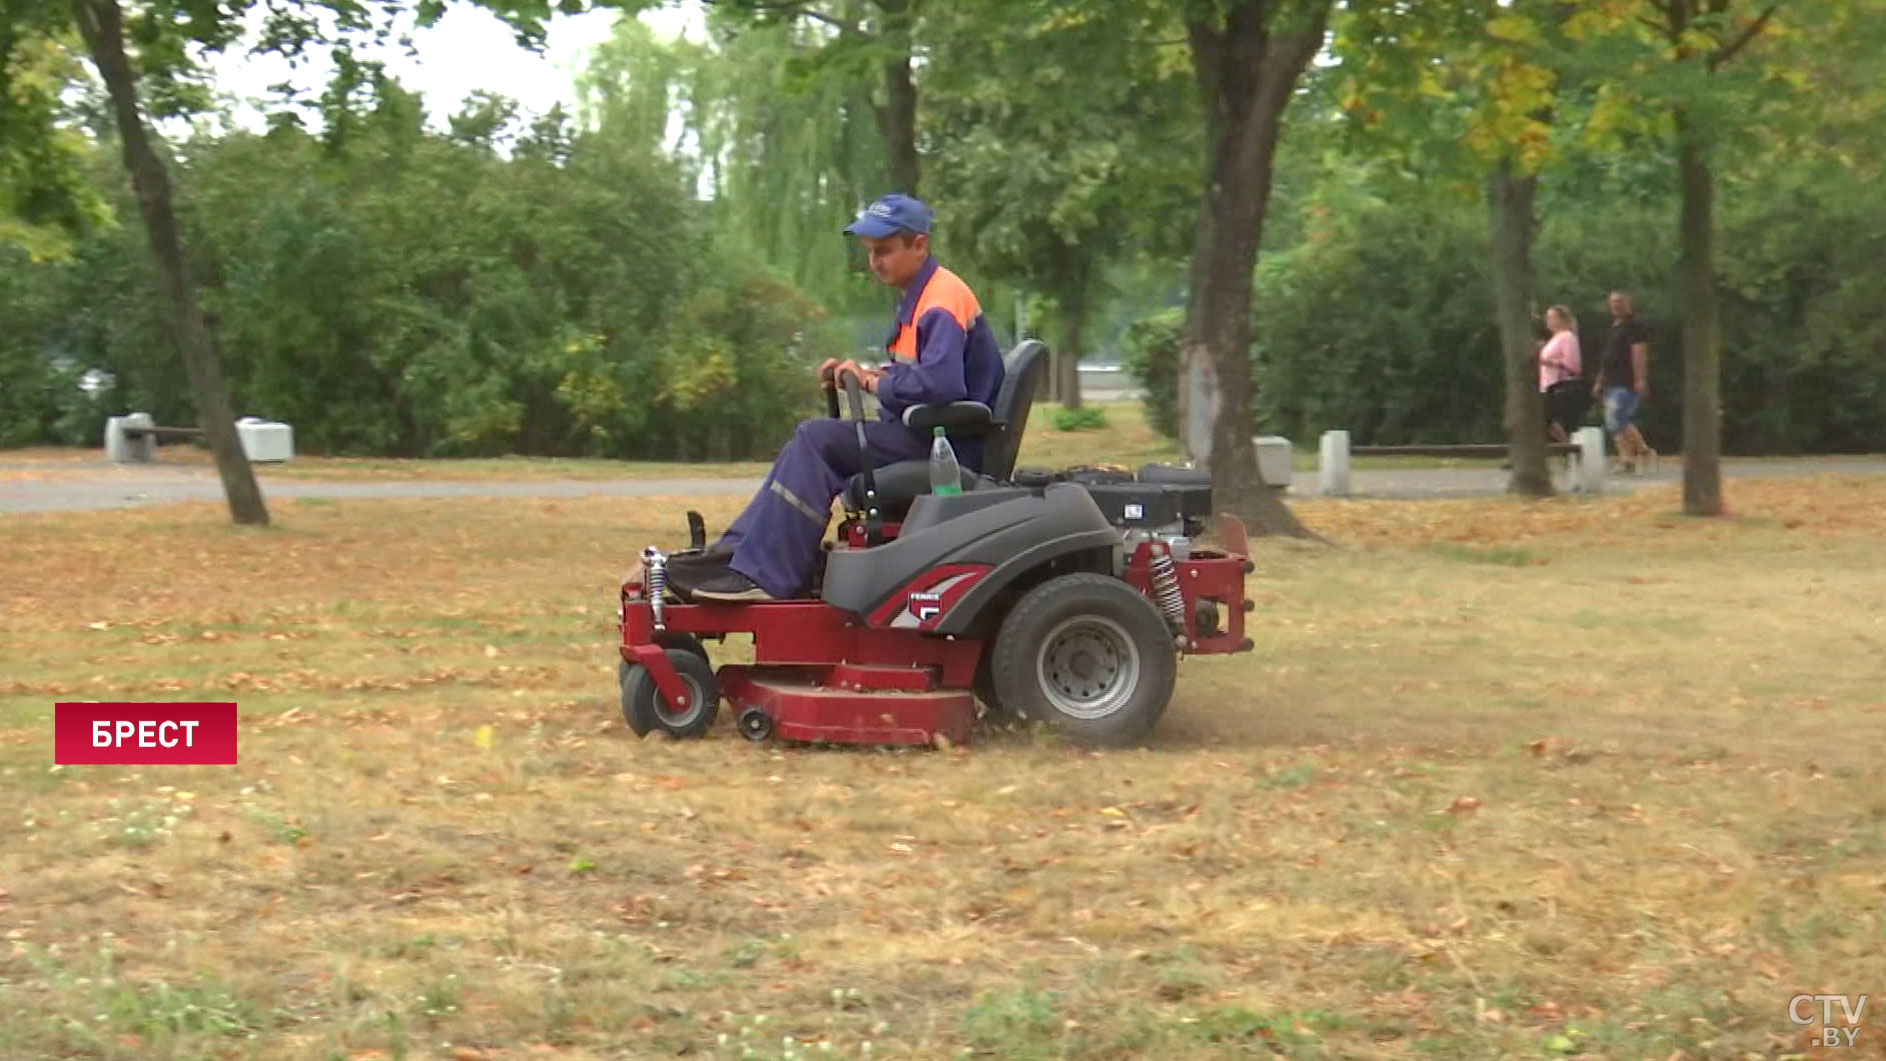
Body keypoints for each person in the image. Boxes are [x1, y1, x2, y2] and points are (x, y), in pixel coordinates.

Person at [690, 194, 1007, 603]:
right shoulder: (924, 294)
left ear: (920, 245)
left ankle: (765, 575)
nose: (875, 262)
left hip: (945, 448)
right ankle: (736, 552)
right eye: (871, 252)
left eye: (885, 251)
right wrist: (863, 375)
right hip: (928, 435)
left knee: (815, 440)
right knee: (812, 440)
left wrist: (873, 385)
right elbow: (919, 374)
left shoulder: (941, 301)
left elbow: (942, 386)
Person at [1593, 290, 1653, 473]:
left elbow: (1639, 353)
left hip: (1626, 379)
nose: (1616, 306)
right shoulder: (1614, 327)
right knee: (1617, 418)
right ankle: (1641, 451)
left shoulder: (1635, 327)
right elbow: (1608, 357)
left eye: (1620, 302)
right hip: (1611, 379)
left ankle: (1629, 457)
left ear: (1628, 303)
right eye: (1612, 302)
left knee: (1615, 416)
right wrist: (1599, 381)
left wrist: (1640, 379)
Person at [1538, 304, 1587, 443]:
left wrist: (1551, 362)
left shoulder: (1567, 337)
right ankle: (1566, 449)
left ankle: (1568, 448)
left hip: (1560, 385)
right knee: (1547, 422)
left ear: (1562, 319)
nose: (1549, 321)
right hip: (1548, 385)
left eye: (1552, 318)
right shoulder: (1555, 338)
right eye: (1547, 318)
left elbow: (1573, 366)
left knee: (1549, 421)